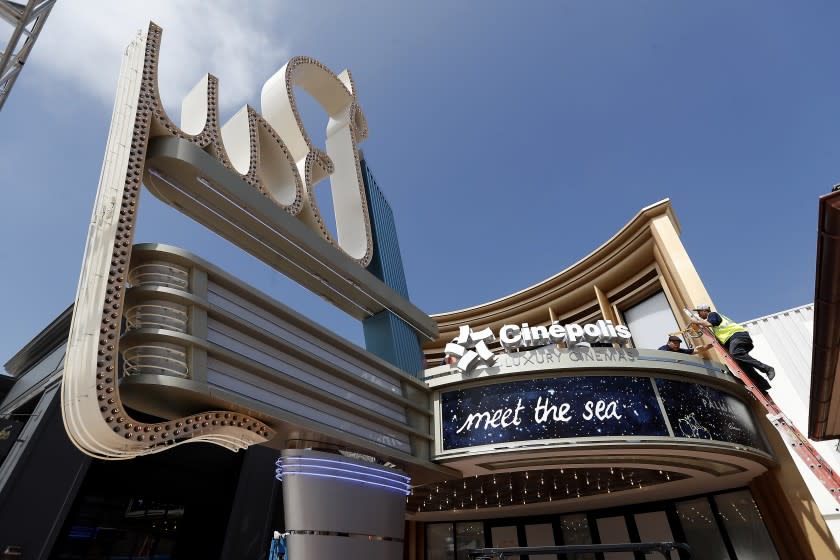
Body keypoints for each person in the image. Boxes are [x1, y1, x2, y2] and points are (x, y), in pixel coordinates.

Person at [689, 304, 775, 391]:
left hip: (737, 335)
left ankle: (767, 368)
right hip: (735, 339)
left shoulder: (712, 314)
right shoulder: (716, 326)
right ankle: (762, 384)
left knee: (736, 353)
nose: (699, 315)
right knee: (742, 364)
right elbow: (717, 339)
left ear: (704, 311)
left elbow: (709, 323)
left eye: (699, 312)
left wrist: (696, 321)